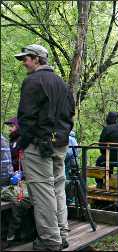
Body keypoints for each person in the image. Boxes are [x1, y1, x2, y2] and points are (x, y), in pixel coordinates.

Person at [15, 44, 75, 250]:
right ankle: (61, 233)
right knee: (57, 188)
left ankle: (50, 240)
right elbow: (69, 116)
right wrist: (61, 136)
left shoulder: (32, 81)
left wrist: (21, 141)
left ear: (38, 59)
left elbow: (26, 118)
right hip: (60, 145)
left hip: (39, 146)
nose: (24, 63)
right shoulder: (61, 83)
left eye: (26, 58)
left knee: (42, 192)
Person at [95, 112, 118, 188]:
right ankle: (109, 180)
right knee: (107, 159)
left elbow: (101, 144)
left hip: (111, 155)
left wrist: (104, 152)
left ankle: (100, 182)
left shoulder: (107, 129)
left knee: (100, 161)